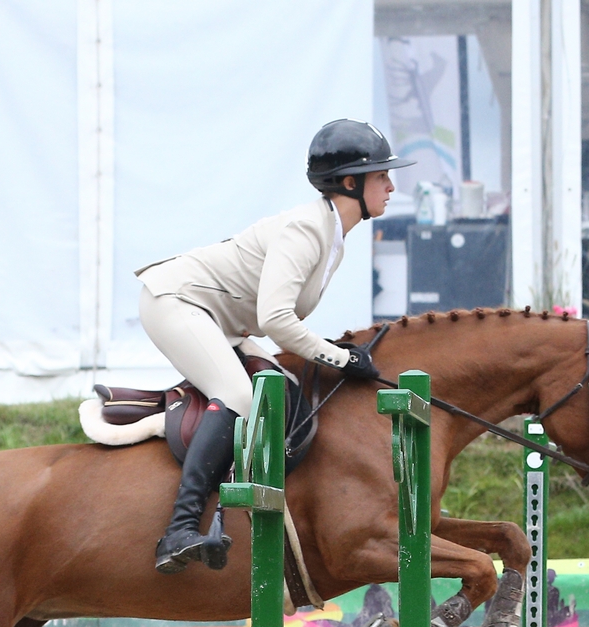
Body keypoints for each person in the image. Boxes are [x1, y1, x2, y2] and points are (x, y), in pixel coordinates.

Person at [136, 120, 415, 573]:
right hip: (177, 302)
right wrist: (342, 357)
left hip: (219, 319)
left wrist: (335, 354)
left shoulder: (332, 237)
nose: (391, 185)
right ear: (350, 183)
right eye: (382, 175)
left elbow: (278, 322)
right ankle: (179, 529)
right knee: (241, 396)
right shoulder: (307, 229)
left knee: (281, 385)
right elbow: (276, 321)